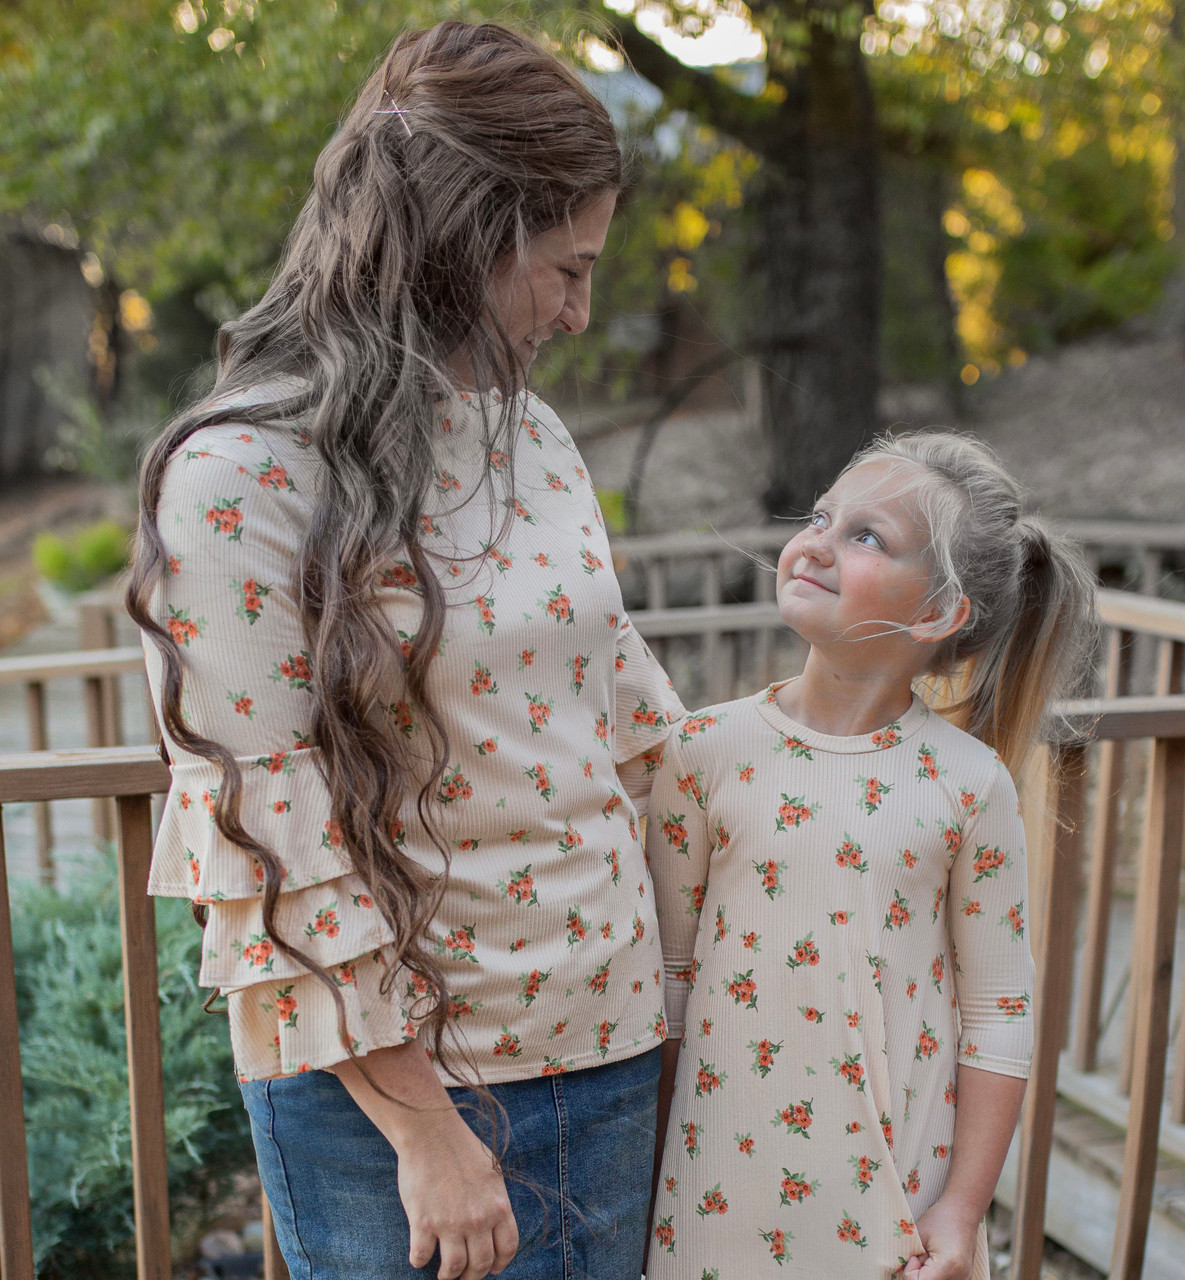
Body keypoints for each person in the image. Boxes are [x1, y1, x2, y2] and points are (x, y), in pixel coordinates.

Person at [125, 22, 684, 1280]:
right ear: (461, 239)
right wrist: (427, 1130)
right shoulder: (239, 476)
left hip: (610, 1044)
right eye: (566, 267)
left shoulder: (530, 435)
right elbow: (267, 830)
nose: (582, 311)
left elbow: (628, 717)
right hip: (399, 1102)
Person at [644, 432, 1096, 1279]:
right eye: (820, 516)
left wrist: (961, 1214)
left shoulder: (970, 785)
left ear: (934, 613)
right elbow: (668, 981)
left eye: (864, 536)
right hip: (712, 1193)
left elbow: (999, 1017)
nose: (814, 540)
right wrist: (648, 1180)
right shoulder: (702, 751)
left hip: (891, 1207)